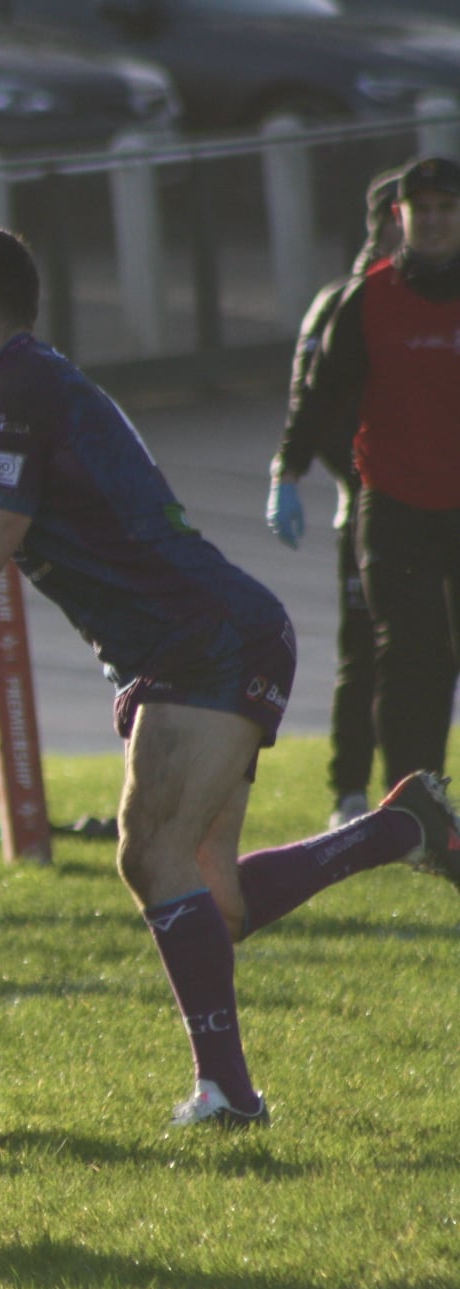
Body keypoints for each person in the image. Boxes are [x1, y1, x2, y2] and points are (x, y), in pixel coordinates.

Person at [0, 223, 460, 1128]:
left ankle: (227, 1094)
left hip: (203, 639)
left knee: (150, 853)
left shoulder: (21, 390)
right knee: (207, 897)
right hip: (198, 640)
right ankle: (398, 831)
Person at [285, 155, 460, 793]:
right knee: (401, 654)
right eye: (423, 209)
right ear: (398, 218)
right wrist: (290, 469)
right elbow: (320, 395)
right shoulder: (364, 298)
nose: (435, 221)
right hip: (390, 502)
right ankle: (402, 802)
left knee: (439, 658)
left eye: (448, 207)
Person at [268, 166, 411, 830]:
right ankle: (349, 795)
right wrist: (315, 477)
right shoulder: (342, 303)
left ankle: (418, 793)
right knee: (366, 652)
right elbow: (312, 403)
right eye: (403, 214)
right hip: (368, 506)